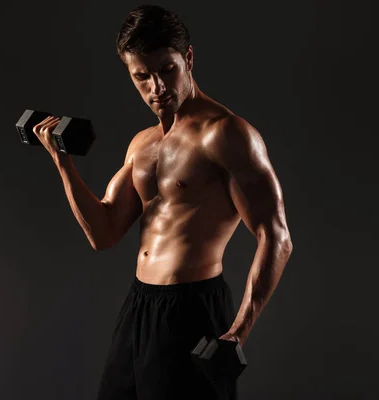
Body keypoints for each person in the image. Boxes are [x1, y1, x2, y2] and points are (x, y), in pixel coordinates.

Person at [32, 5, 293, 399]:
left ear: (187, 58)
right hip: (140, 307)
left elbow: (276, 237)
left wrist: (237, 333)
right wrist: (62, 163)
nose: (157, 87)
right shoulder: (143, 144)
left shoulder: (226, 135)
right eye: (142, 77)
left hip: (193, 310)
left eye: (167, 70)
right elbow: (103, 233)